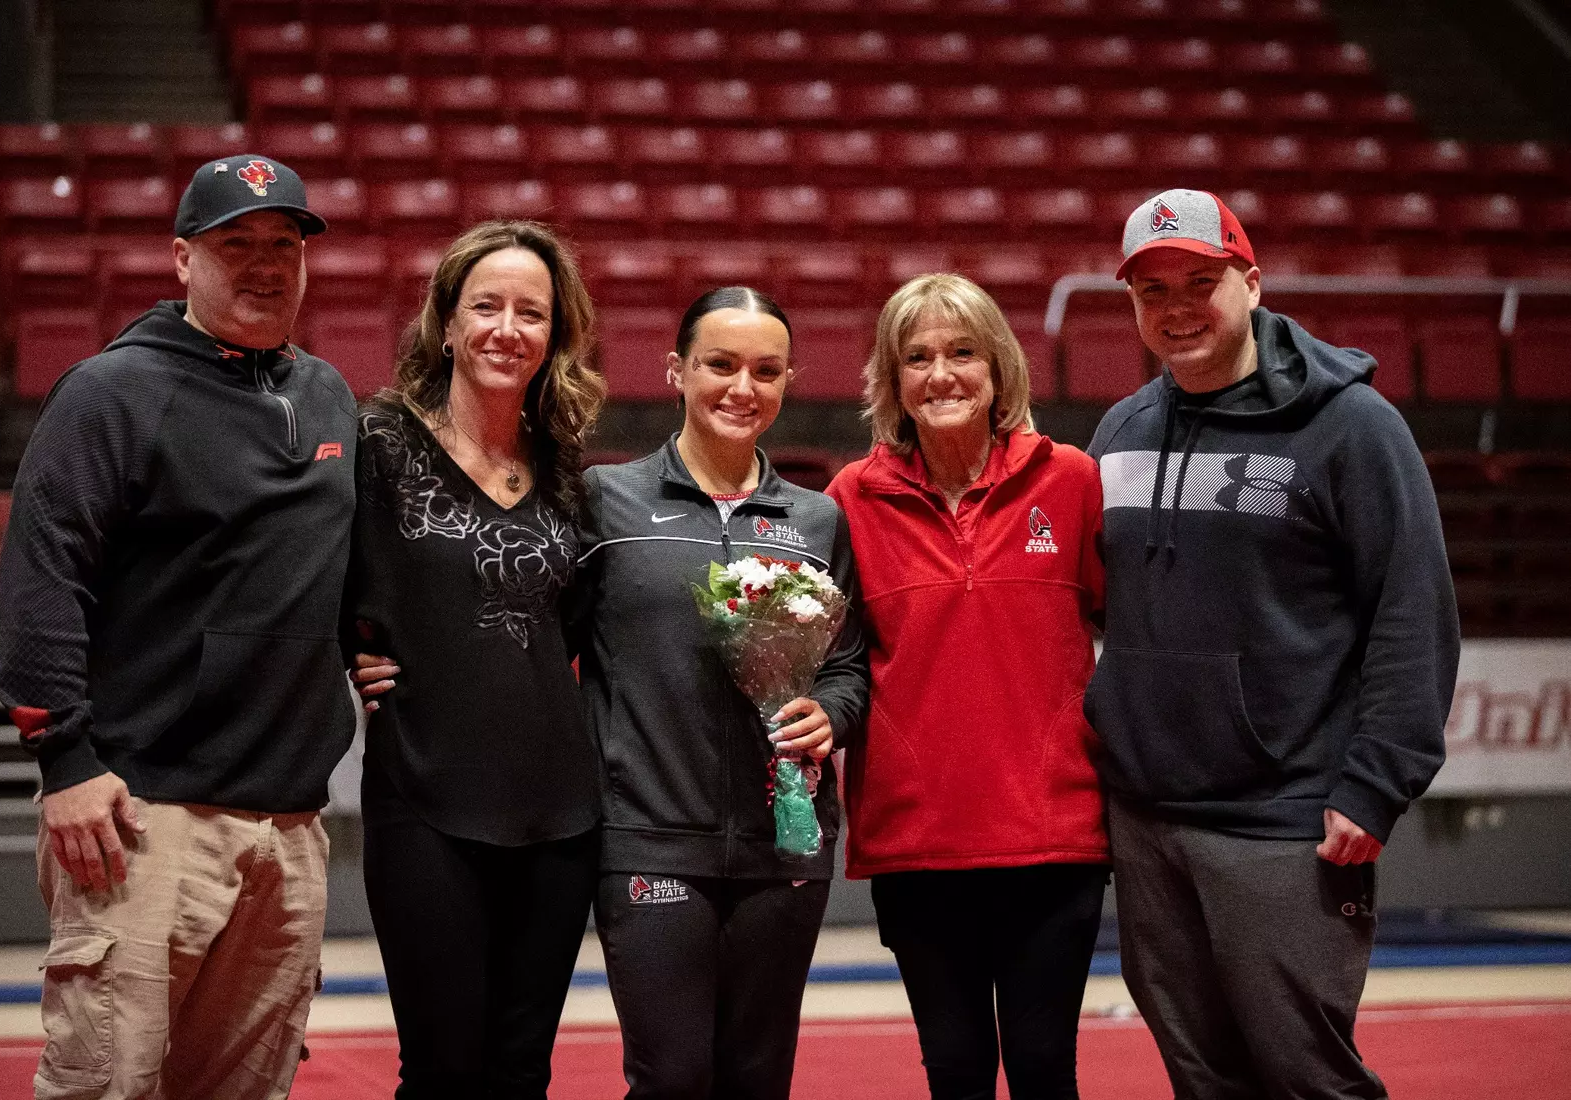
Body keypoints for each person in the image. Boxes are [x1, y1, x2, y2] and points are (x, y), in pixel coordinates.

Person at [0, 155, 355, 1100]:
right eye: (237, 245)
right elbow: (38, 582)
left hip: (288, 824)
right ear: (182, 259)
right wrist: (64, 759)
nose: (266, 265)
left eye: (285, 245)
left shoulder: (326, 397)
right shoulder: (111, 393)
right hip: (141, 818)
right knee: (106, 1085)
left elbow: (337, 574)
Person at [1086, 188, 1460, 1099]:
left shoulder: (1352, 427)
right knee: (1202, 1078)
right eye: (1152, 291)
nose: (1176, 310)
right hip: (1145, 820)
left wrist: (1375, 786)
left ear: (1251, 283)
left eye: (1199, 284)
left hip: (1284, 820)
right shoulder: (1121, 431)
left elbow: (1413, 613)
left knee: (1306, 1079)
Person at [574, 286, 869, 1099]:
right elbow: (537, 644)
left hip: (787, 845)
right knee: (671, 1078)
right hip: (649, 836)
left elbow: (846, 664)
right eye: (720, 365)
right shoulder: (608, 502)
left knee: (757, 1077)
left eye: (766, 371)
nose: (743, 388)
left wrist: (830, 716)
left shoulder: (816, 520)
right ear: (676, 370)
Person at [825, 274, 1109, 1100]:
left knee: (1044, 1065)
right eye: (917, 357)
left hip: (1053, 836)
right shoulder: (850, 499)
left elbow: (1133, 630)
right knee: (954, 1070)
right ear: (892, 378)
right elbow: (838, 661)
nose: (941, 374)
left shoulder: (1072, 482)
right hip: (919, 842)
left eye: (962, 353)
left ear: (999, 370)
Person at [343, 220, 607, 1098]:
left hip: (560, 814)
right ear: (446, 324)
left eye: (531, 312)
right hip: (426, 802)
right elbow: (311, 574)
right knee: (445, 1069)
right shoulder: (378, 444)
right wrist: (350, 644)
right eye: (485, 306)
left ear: (554, 335)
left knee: (521, 1069)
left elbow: (573, 628)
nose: (507, 328)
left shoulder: (568, 469)